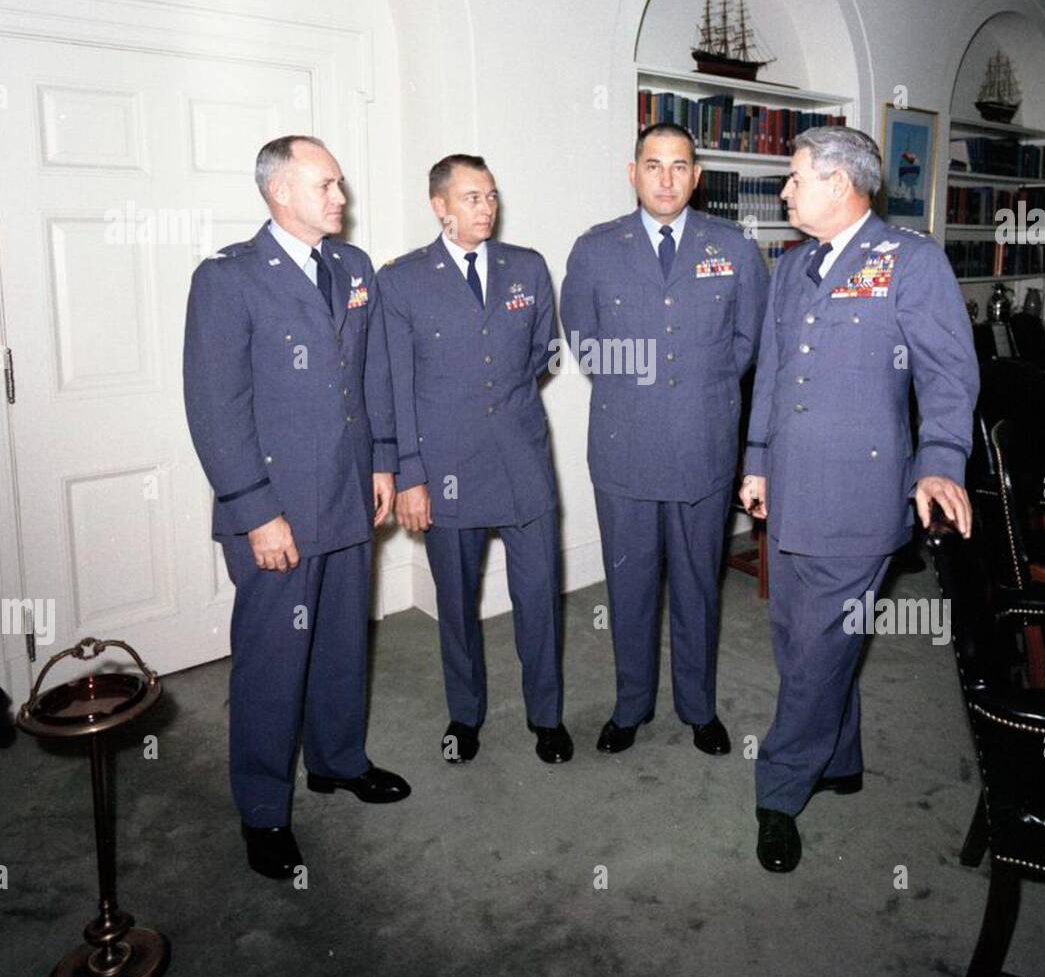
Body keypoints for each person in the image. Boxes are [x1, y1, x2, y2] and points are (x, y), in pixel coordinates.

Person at [739, 125, 977, 873]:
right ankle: (842, 759)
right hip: (791, 494)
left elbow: (948, 373)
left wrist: (941, 460)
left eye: (795, 177)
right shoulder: (792, 267)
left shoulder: (912, 262)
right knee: (798, 640)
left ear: (841, 183)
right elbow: (773, 374)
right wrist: (757, 462)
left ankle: (777, 791)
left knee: (815, 653)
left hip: (861, 498)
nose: (785, 192)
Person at [183, 135, 410, 881]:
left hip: (348, 494)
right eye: (326, 185)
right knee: (272, 663)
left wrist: (382, 461)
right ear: (280, 193)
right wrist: (255, 511)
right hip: (277, 508)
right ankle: (263, 810)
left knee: (344, 642)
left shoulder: (353, 268)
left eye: (339, 184)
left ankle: (337, 761)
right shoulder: (229, 277)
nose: (341, 198)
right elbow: (216, 406)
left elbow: (372, 374)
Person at [560, 123, 768, 754]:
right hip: (624, 450)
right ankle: (630, 706)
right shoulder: (596, 249)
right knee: (629, 585)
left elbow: (747, 342)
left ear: (696, 176)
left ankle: (698, 707)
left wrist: (698, 389)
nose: (667, 179)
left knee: (700, 586)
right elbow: (585, 342)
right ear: (633, 173)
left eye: (680, 166)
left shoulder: (732, 246)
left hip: (702, 448)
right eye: (654, 165)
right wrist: (652, 377)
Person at [377, 155, 570, 765]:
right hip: (445, 471)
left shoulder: (528, 267)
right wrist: (411, 474)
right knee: (456, 605)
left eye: (490, 196)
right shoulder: (401, 279)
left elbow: (544, 350)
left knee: (539, 595)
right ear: (439, 207)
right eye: (470, 198)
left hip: (522, 463)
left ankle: (547, 716)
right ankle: (465, 715)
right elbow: (396, 387)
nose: (485, 208)